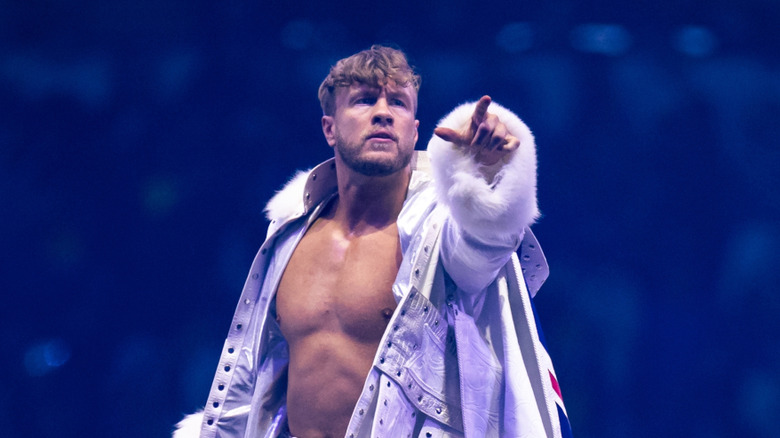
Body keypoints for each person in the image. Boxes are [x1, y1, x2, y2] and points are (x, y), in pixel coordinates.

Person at [174, 45, 572, 438]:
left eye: (398, 103)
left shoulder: (438, 231)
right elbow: (256, 373)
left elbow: (484, 251)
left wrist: (485, 176)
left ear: (414, 130)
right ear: (330, 128)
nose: (383, 112)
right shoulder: (289, 234)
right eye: (365, 100)